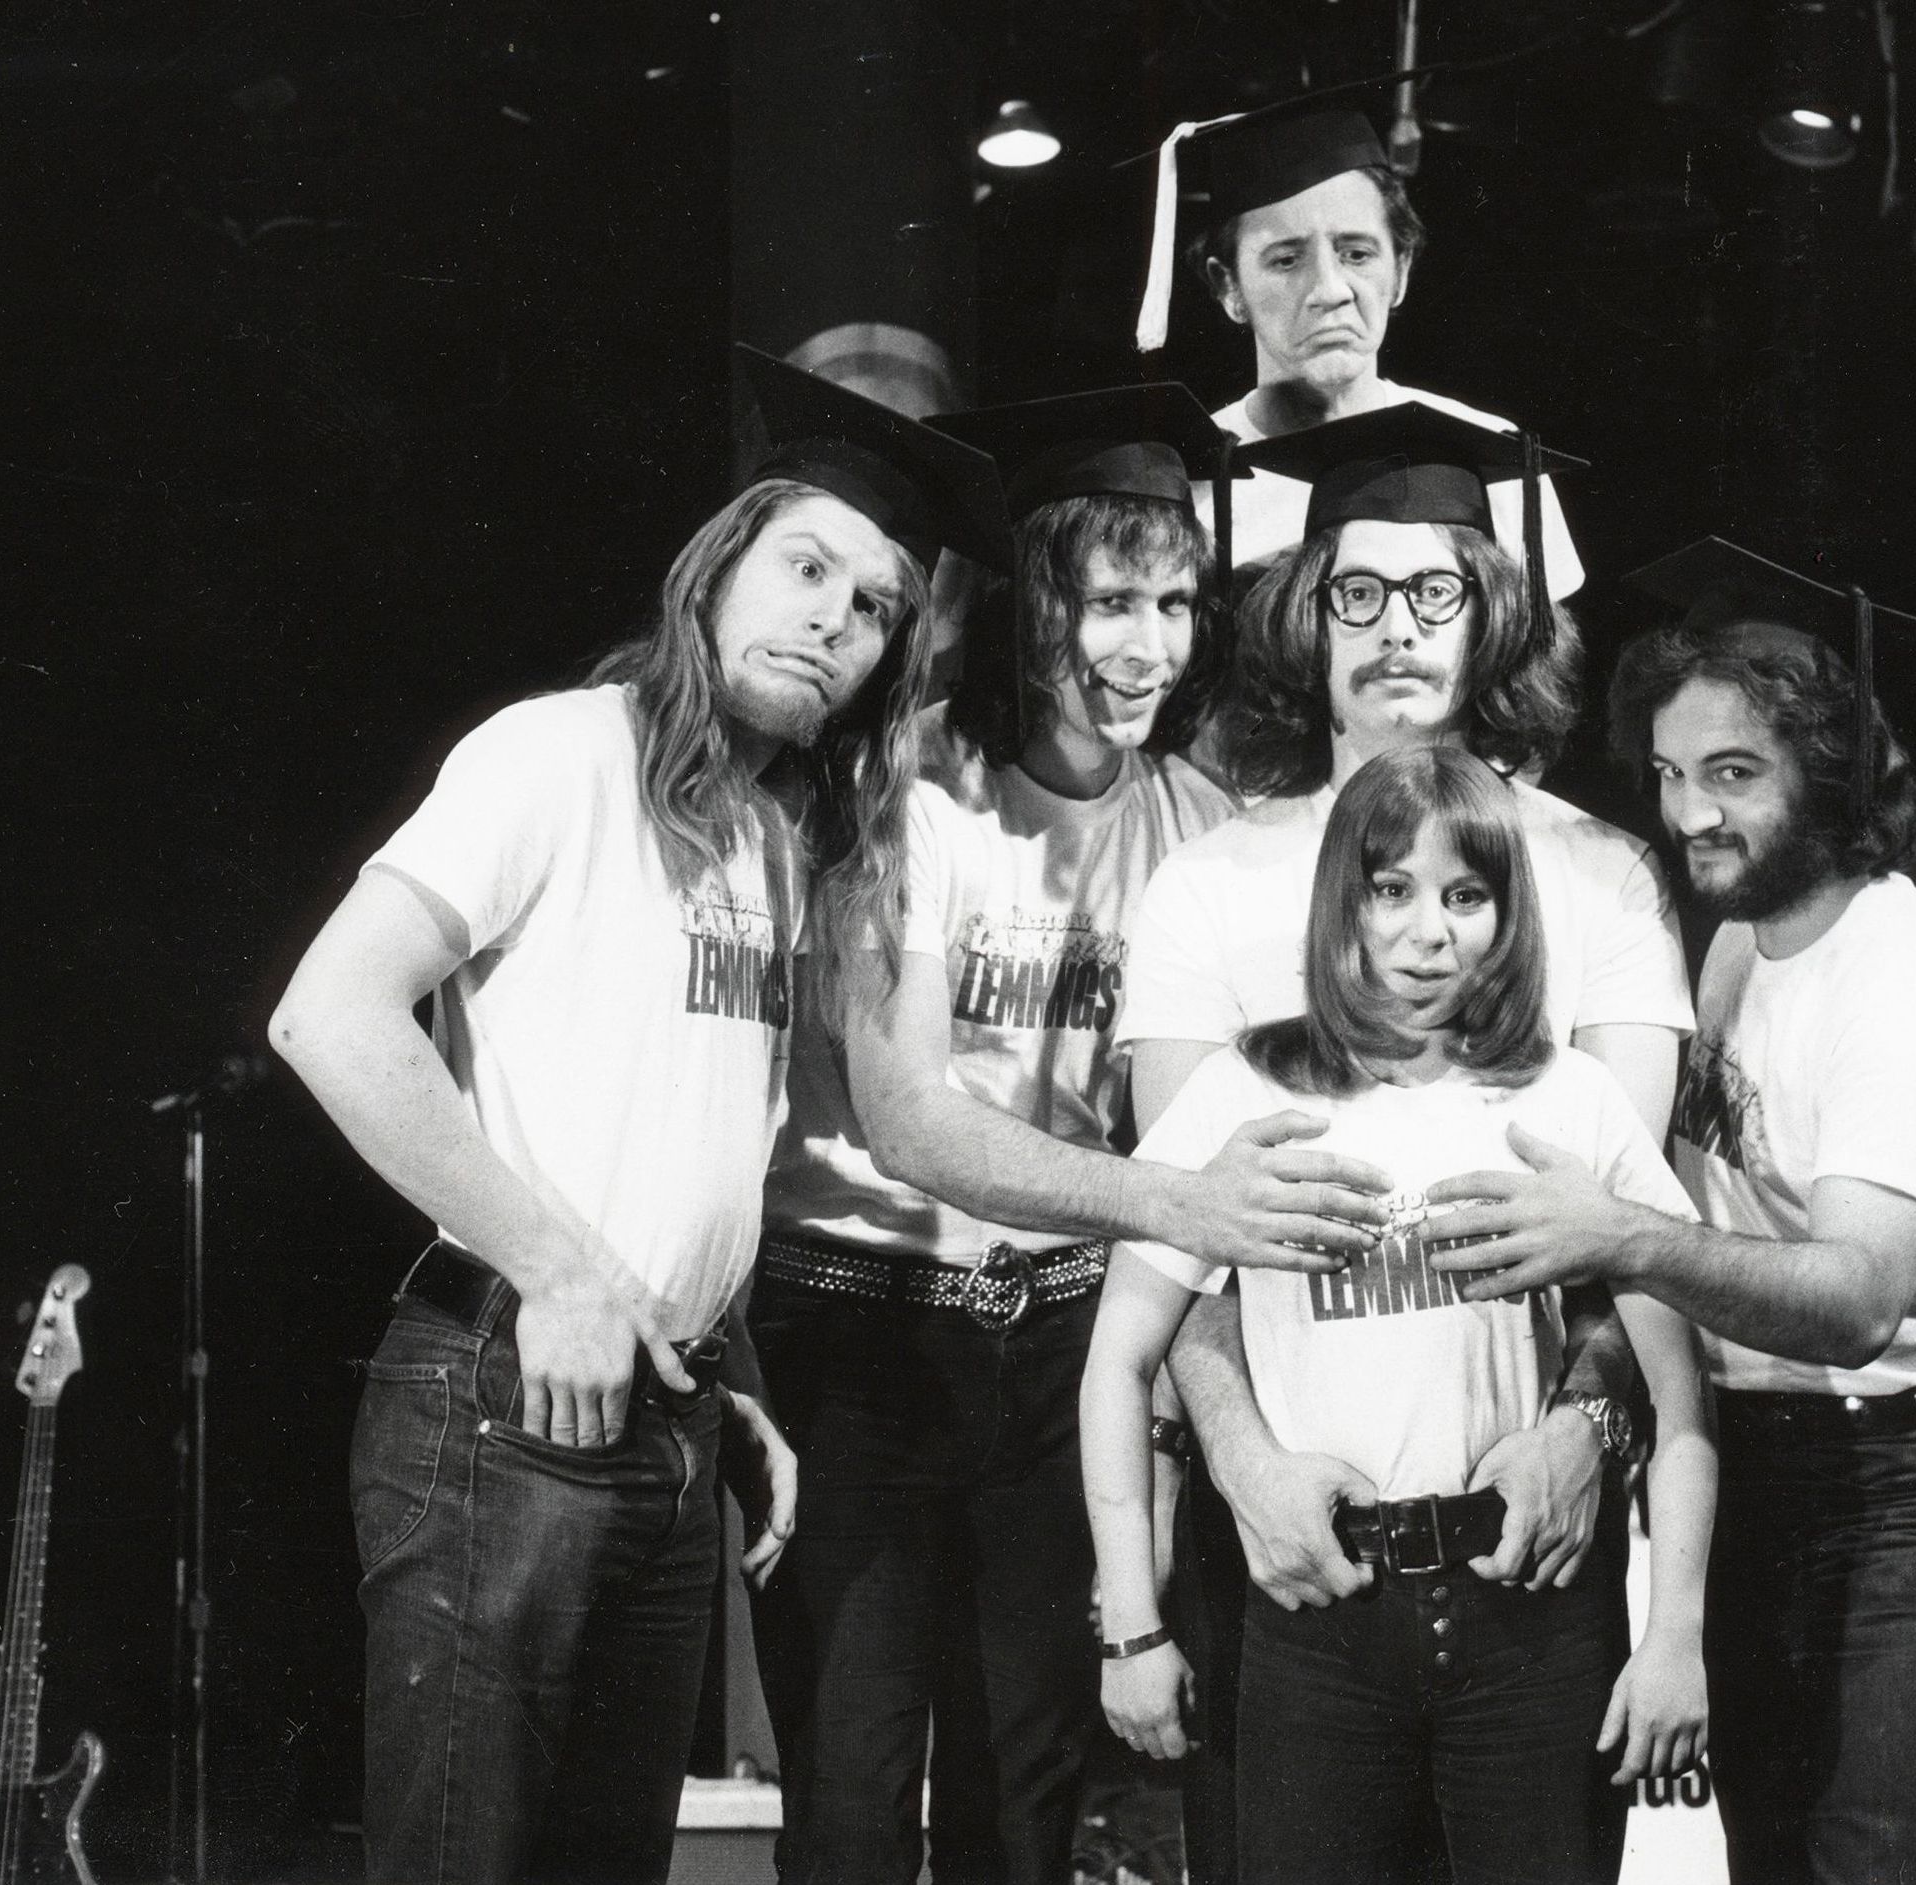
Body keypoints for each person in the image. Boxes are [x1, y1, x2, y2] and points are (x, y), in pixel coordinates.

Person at [269, 346, 1009, 1884]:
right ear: (717, 568)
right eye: (807, 566)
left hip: (665, 1415)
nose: (837, 618)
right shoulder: (561, 754)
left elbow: (683, 1140)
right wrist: (557, 1269)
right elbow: (328, 1014)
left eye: (878, 605)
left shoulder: (775, 840)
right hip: (502, 1400)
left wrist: (725, 1379)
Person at [745, 382, 1405, 1885]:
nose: (1148, 646)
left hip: (1057, 1340)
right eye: (1112, 602)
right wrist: (1175, 1202)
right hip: (863, 1323)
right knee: (851, 1805)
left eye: (1174, 605)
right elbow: (911, 1121)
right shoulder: (907, 784)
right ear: (1035, 602)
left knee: (1023, 1804)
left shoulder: (1192, 817)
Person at [1120, 404, 1688, 1884]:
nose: (1394, 627)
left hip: (1530, 1527)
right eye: (1355, 592)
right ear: (1305, 621)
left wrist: (1583, 1431)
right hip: (1285, 1540)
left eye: (1434, 589)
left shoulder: (1604, 875)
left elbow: (1628, 1242)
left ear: (1491, 611)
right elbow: (1185, 1241)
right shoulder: (1207, 881)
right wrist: (1244, 1462)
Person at [1422, 542, 1916, 1885]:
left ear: (1835, 769)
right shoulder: (1743, 933)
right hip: (1760, 1461)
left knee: (1884, 1865)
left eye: (1733, 774)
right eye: (1667, 773)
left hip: (1911, 1486)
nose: (1689, 814)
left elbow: (1858, 1299)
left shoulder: (1897, 991)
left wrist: (1619, 1235)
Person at [1134, 103, 1584, 594]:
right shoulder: (1178, 485)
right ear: (1229, 288)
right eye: (1286, 260)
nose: (1330, 290)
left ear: (1401, 271)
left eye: (1357, 254)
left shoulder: (1493, 458)